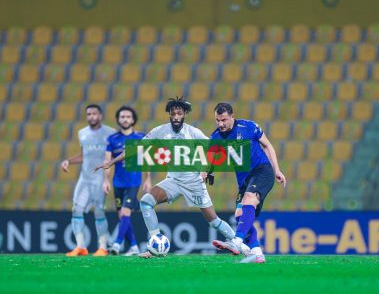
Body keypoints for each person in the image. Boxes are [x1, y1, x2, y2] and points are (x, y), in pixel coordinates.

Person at [96, 97, 236, 258]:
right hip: (173, 180)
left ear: (184, 114)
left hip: (193, 181)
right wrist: (111, 162)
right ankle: (156, 245)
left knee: (213, 220)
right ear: (169, 114)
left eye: (179, 113)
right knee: (146, 202)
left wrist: (208, 171)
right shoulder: (160, 131)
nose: (176, 116)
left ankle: (239, 244)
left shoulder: (193, 132)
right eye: (173, 113)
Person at [210, 102, 286, 264]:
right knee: (240, 216)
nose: (220, 124)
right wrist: (205, 172)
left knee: (249, 198)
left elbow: (268, 145)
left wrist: (277, 170)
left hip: (262, 171)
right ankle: (258, 253)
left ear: (232, 117)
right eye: (217, 120)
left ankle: (236, 242)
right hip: (244, 180)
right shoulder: (216, 137)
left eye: (224, 120)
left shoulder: (249, 127)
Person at [61, 104, 116, 257]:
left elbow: (111, 158)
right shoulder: (82, 133)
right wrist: (69, 161)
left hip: (99, 179)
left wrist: (107, 178)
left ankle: (103, 247)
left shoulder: (110, 133)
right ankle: (80, 247)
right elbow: (84, 155)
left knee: (99, 211)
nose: (91, 116)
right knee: (76, 210)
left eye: (94, 113)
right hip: (84, 179)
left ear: (101, 115)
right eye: (89, 114)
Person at [106, 106, 151, 256]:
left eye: (128, 117)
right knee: (122, 216)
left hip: (133, 181)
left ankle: (117, 244)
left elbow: (146, 160)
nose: (125, 119)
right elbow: (108, 162)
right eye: (122, 117)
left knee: (125, 212)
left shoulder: (140, 137)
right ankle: (134, 247)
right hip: (118, 182)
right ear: (118, 119)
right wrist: (105, 181)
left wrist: (148, 179)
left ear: (133, 119)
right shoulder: (112, 139)